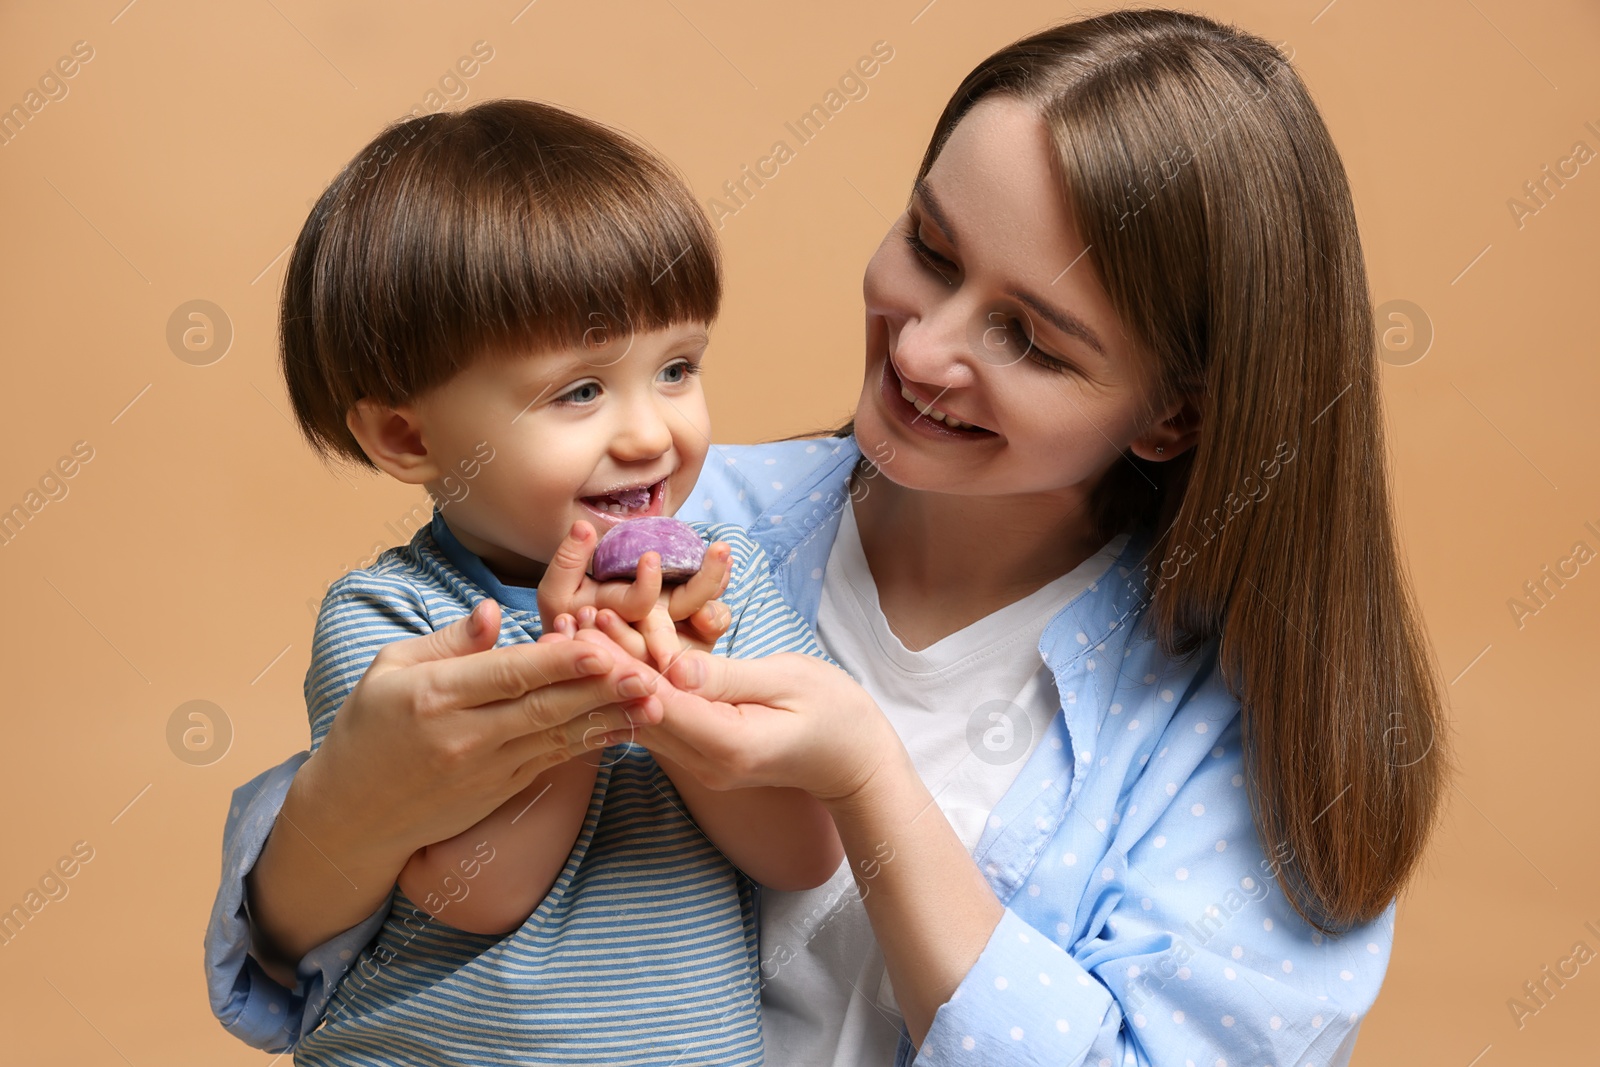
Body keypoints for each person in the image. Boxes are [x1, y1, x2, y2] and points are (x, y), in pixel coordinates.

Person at [206, 9, 1448, 1066]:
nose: (918, 349)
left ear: (1171, 415)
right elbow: (302, 960)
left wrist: (867, 776)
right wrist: (344, 814)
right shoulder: (673, 529)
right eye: (931, 247)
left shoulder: (1262, 738)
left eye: (1031, 337)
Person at [221, 97, 846, 1066]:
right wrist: (582, 666)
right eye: (581, 390)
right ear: (408, 436)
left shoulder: (723, 580)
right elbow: (478, 890)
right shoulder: (399, 625)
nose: (649, 431)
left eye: (676, 367)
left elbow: (803, 851)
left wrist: (672, 672)